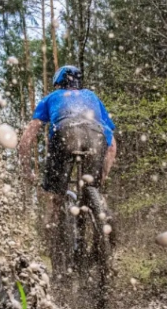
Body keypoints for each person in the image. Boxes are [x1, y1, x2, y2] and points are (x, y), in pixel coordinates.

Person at [17, 65, 117, 268]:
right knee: (92, 189)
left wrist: (26, 169)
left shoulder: (51, 97)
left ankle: (55, 240)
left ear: (59, 83)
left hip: (65, 135)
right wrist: (103, 174)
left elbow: (27, 138)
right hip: (96, 138)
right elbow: (112, 144)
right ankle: (103, 244)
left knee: (56, 196)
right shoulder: (92, 97)